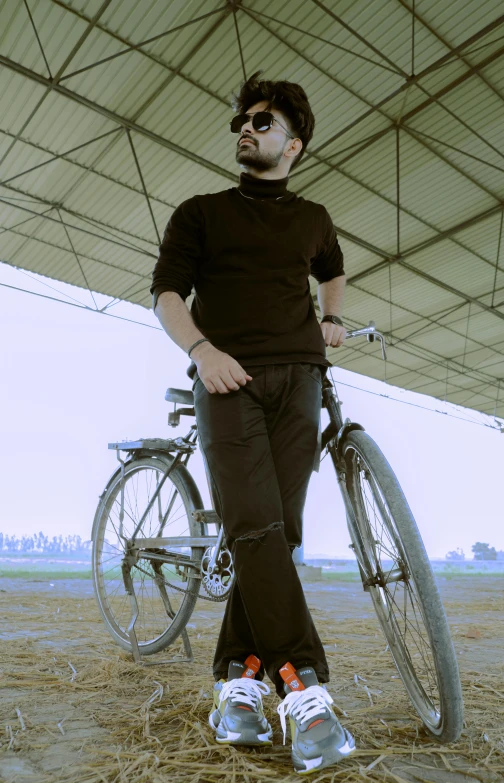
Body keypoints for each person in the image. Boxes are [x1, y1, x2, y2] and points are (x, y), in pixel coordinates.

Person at [150, 70, 355, 775]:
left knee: (277, 528)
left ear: (293, 144)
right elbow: (167, 293)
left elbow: (333, 270)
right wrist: (202, 352)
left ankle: (238, 682)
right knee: (257, 527)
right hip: (227, 380)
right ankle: (305, 688)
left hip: (301, 381)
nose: (247, 127)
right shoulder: (201, 213)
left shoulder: (313, 218)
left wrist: (331, 318)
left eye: (263, 121)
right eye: (244, 119)